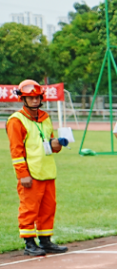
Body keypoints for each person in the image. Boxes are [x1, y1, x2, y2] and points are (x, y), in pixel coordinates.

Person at [8, 79, 67, 256]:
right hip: (31, 174)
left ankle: (46, 241)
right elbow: (16, 151)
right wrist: (22, 174)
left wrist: (57, 144)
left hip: (47, 170)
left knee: (48, 208)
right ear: (22, 99)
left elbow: (49, 142)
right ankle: (29, 243)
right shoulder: (16, 121)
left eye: (37, 97)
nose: (35, 100)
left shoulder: (45, 117)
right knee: (29, 209)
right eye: (30, 97)